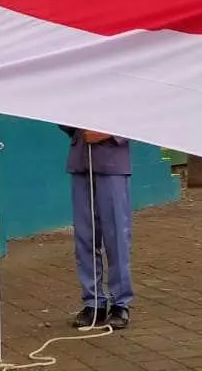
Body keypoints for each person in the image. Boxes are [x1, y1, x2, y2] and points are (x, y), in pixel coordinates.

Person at [58, 125, 134, 330]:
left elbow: (137, 115)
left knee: (116, 235)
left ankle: (120, 303)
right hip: (81, 160)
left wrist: (109, 133)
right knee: (85, 237)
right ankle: (94, 302)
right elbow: (62, 116)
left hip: (112, 161)